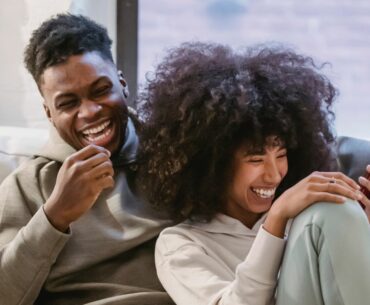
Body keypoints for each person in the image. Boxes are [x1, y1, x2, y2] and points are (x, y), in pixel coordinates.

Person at [137, 42, 370, 305]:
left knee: (338, 208)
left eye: (281, 155)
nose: (274, 175)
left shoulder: (305, 220)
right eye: (256, 158)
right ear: (213, 163)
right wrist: (276, 220)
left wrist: (360, 231)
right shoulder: (180, 244)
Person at [0, 14, 173, 305]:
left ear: (122, 84)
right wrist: (54, 216)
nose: (90, 112)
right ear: (49, 114)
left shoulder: (174, 152)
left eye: (101, 90)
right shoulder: (26, 184)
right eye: (68, 103)